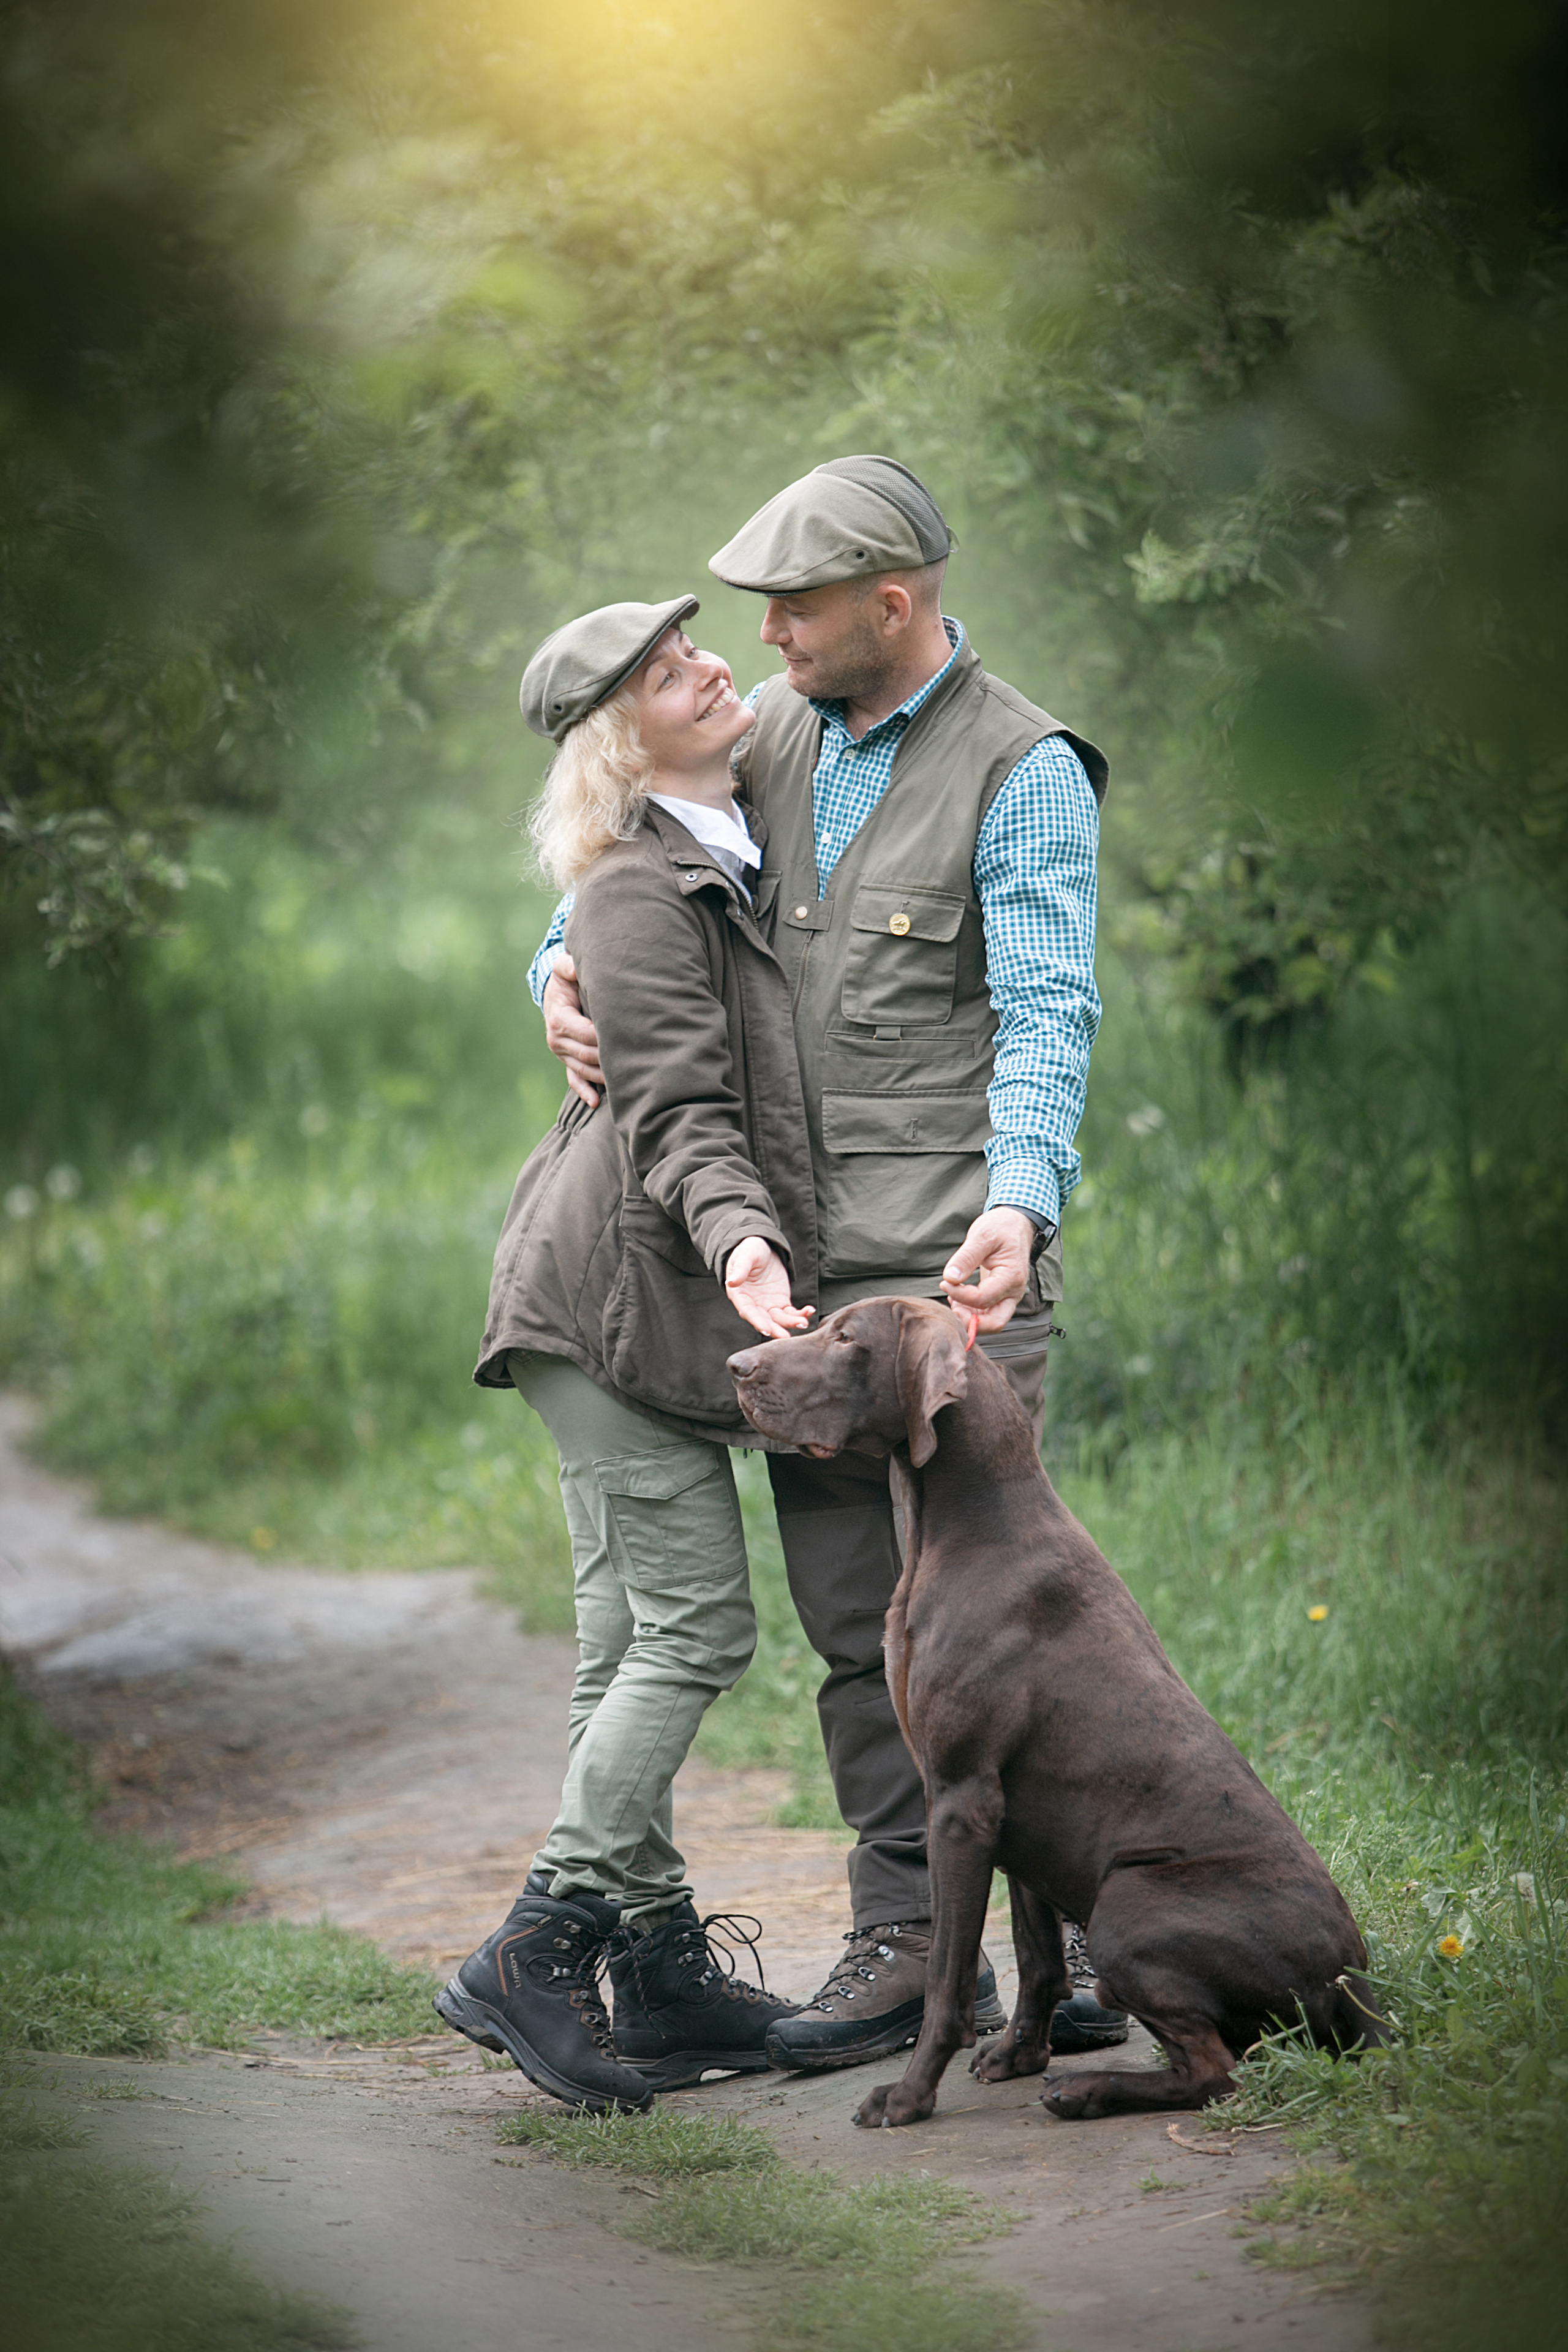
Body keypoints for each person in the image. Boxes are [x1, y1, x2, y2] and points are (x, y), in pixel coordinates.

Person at [530, 458, 1129, 2070]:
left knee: (1007, 1626)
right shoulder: (763, 742)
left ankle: (1058, 1952)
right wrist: (552, 977)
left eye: (797, 603)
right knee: (862, 1626)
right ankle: (896, 1949)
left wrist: (1025, 1199)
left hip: (955, 1289)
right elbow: (629, 867)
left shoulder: (1026, 769)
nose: (768, 630)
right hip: (807, 1289)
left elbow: (1052, 1007)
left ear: (897, 599)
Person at [437, 595, 816, 2114]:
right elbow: (672, 1106)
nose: (716, 664)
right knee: (696, 1632)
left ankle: (655, 1972)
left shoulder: (727, 829)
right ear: (620, 737)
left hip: (610, 1291)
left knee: (621, 1648)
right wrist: (744, 1244)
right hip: (615, 1296)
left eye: (701, 650)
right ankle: (534, 1948)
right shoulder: (639, 890)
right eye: (671, 673)